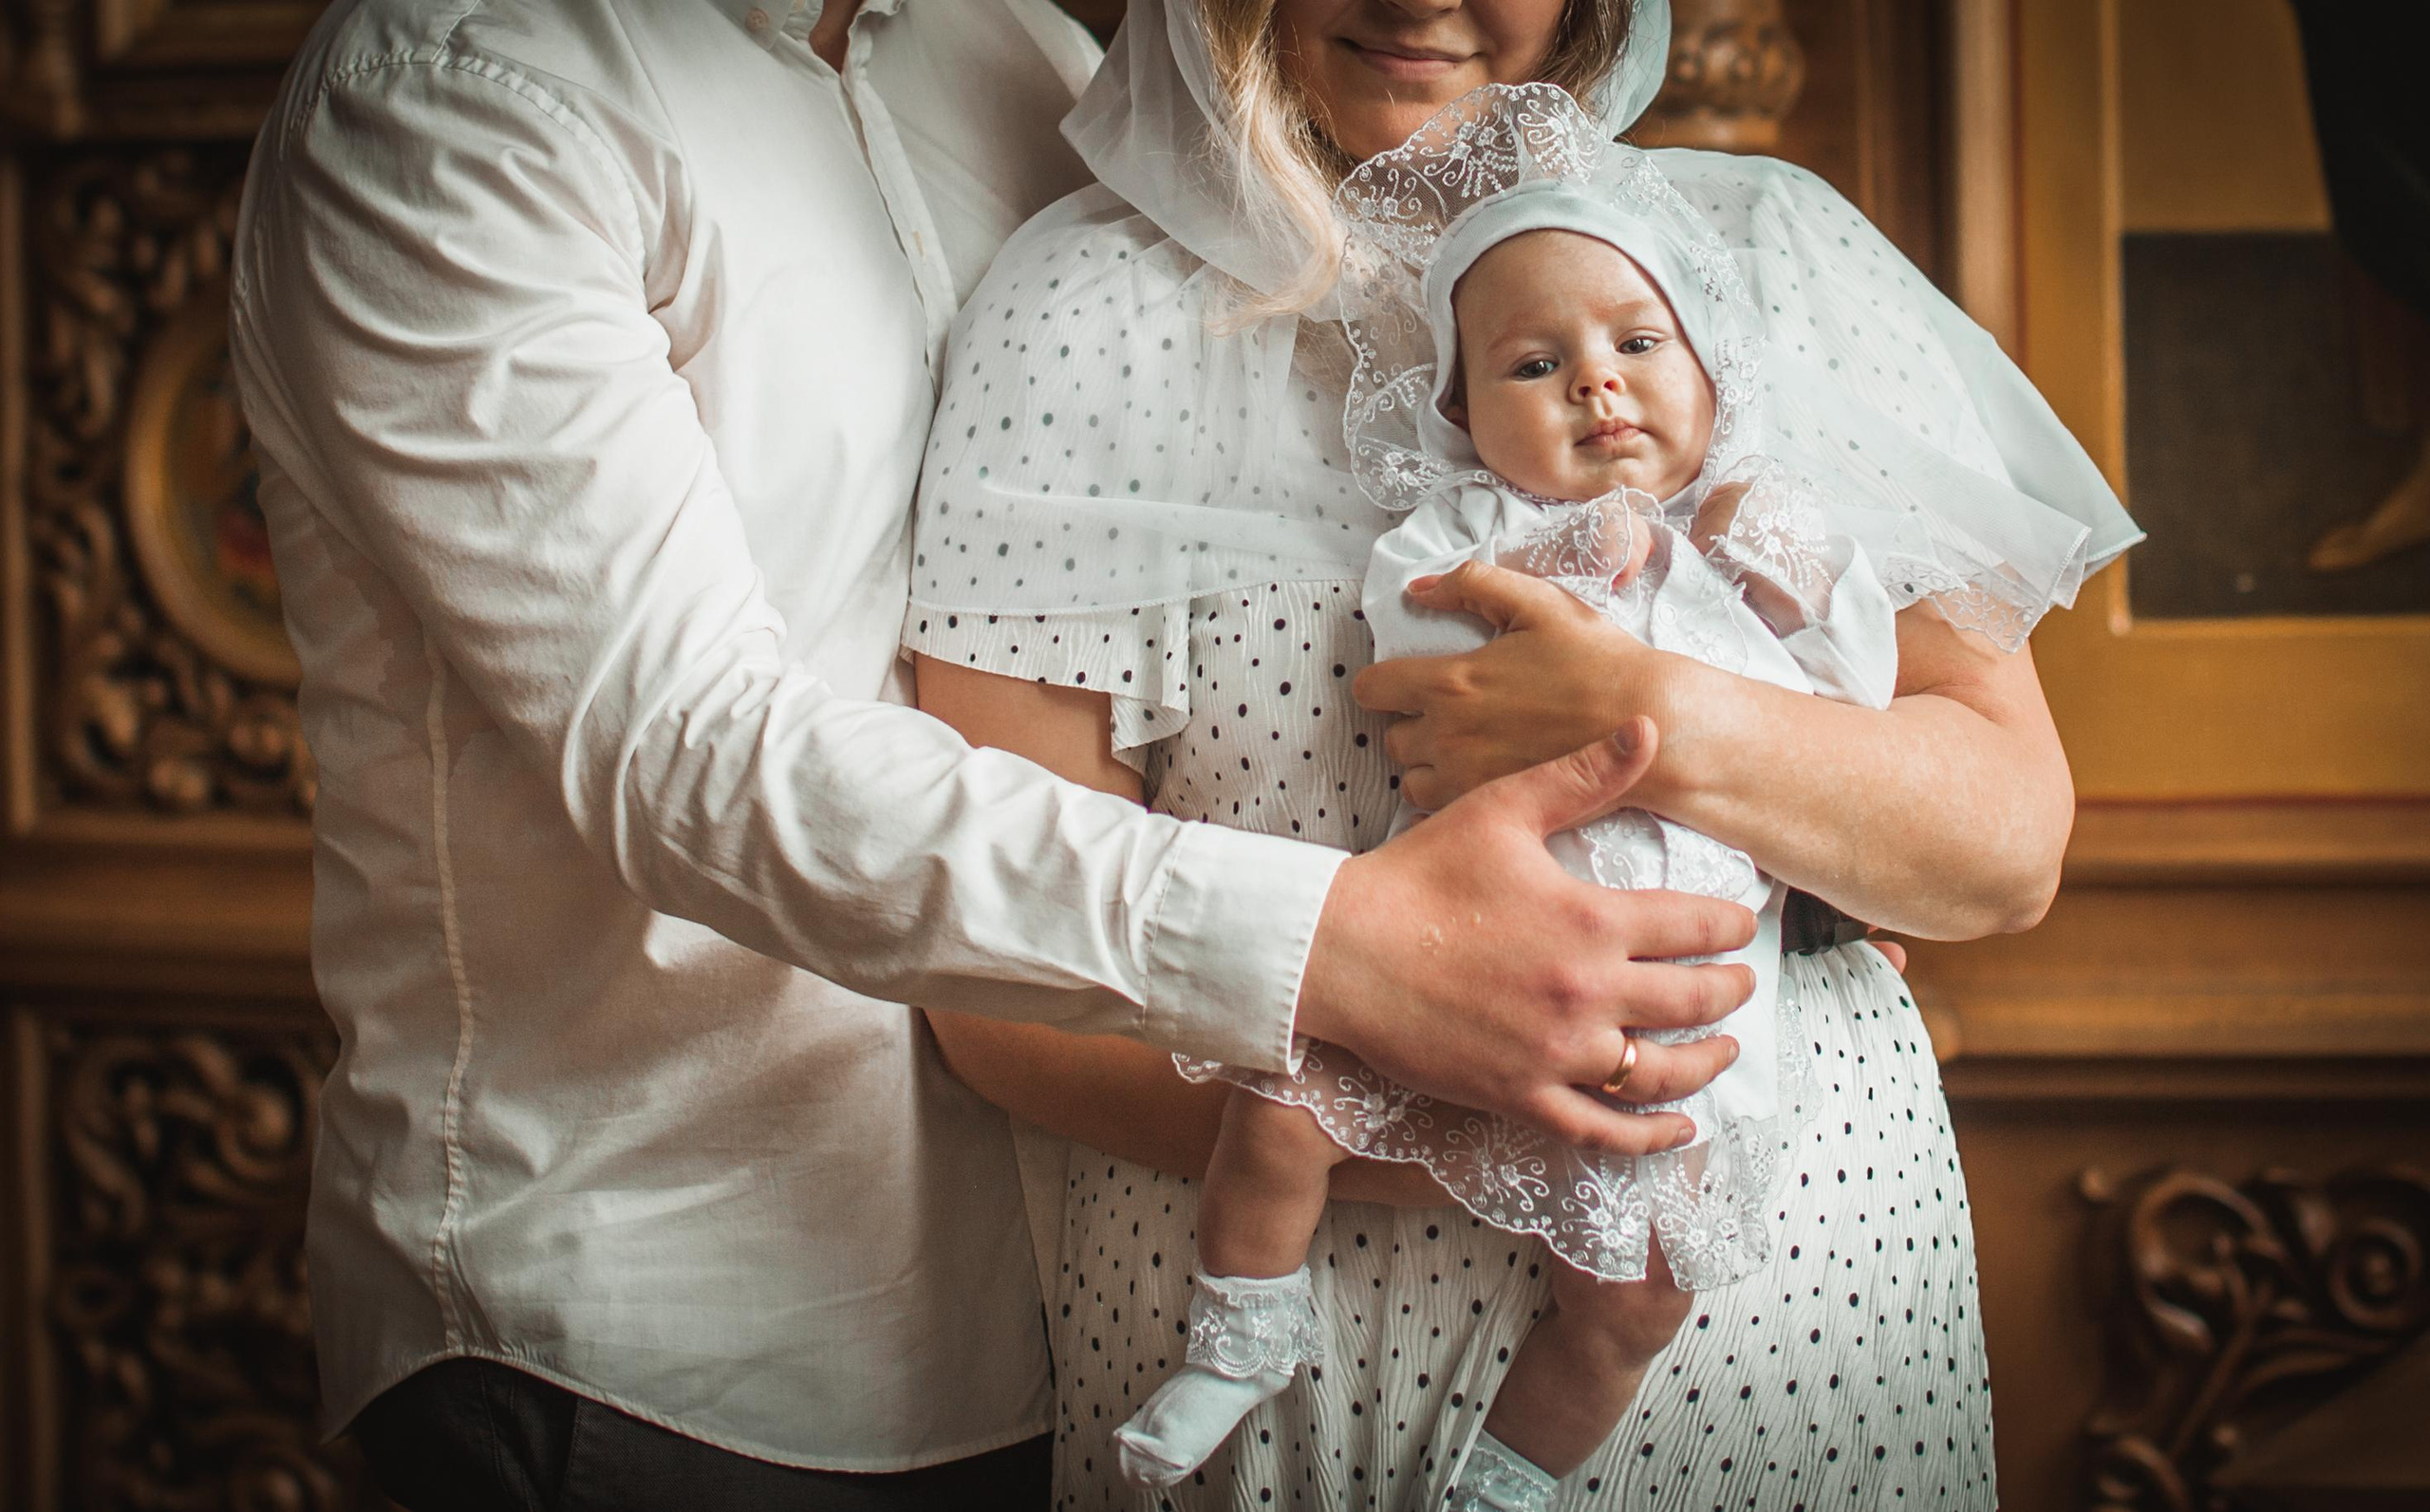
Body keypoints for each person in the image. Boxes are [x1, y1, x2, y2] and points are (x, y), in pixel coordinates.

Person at [226, 0, 1762, 1504]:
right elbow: (687, 756)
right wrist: (1343, 949)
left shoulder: (1028, 60)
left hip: (1069, 1310)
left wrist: (1714, 825)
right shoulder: (451, 95)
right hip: (644, 1330)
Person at [905, 0, 2140, 1504]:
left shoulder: (1769, 256)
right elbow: (999, 986)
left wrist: (1651, 719)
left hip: (1792, 1313)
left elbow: (2002, 846)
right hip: (1316, 1350)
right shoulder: (1084, 310)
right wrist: (1490, 1107)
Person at [1112, 84, 1927, 1498]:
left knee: (1636, 1296)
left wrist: (1799, 580)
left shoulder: (1745, 541)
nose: (1597, 385)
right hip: (1456, 958)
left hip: (1684, 1001)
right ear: (1465, 413)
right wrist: (1557, 576)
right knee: (1279, 1108)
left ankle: (1512, 1473)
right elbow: (1417, 640)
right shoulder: (1470, 529)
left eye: (1636, 344)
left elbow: (1856, 706)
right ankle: (1242, 1327)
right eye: (1536, 367)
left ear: (1709, 372)